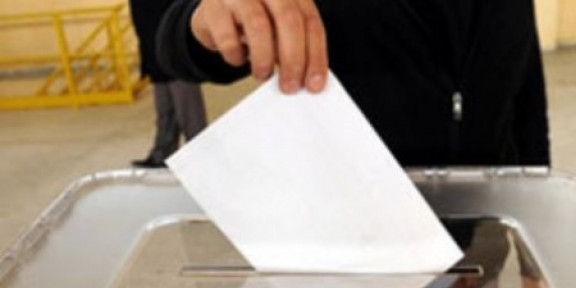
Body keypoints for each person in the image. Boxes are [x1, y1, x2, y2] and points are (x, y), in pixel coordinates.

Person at [154, 0, 549, 167]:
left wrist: (534, 249)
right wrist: (204, 24)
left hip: (486, 237)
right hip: (359, 244)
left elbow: (527, 92)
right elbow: (179, 45)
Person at [129, 0, 208, 168]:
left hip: (174, 44)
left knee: (187, 106)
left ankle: (201, 153)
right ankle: (163, 152)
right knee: (164, 104)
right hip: (151, 42)